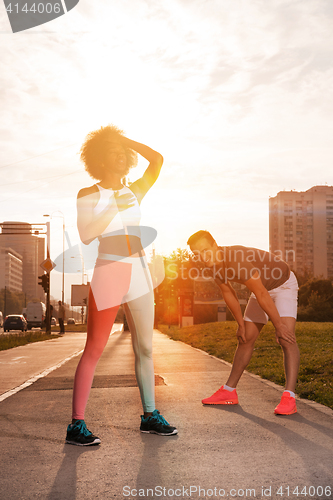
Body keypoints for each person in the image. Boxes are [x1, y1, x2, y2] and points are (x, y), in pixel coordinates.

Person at [66, 125, 177, 446]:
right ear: (99, 157)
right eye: (110, 150)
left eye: (121, 151)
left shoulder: (135, 190)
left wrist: (124, 139)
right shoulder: (88, 194)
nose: (118, 155)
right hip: (109, 271)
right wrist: (114, 204)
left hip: (139, 272)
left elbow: (156, 159)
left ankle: (149, 415)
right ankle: (76, 425)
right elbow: (87, 233)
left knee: (145, 347)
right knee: (95, 349)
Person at [187, 230, 300, 416]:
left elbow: (262, 293)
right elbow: (228, 292)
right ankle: (229, 392)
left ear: (215, 245)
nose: (203, 257)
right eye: (197, 254)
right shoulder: (211, 264)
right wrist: (240, 324)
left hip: (282, 285)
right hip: (261, 289)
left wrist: (278, 325)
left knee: (287, 338)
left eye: (206, 251)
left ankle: (289, 397)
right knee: (245, 338)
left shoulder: (235, 259)